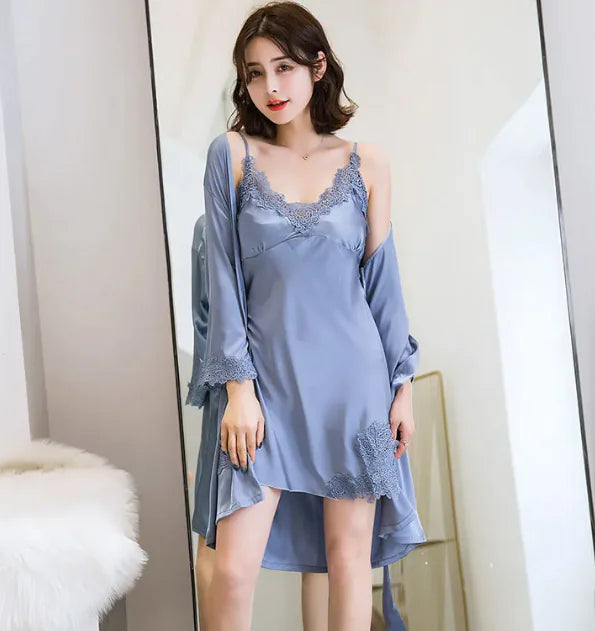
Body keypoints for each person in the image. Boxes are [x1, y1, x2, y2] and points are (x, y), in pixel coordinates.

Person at [186, 3, 426, 630]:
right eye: (255, 73)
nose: (270, 86)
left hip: (353, 386)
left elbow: (381, 284)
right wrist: (239, 390)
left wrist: (402, 385)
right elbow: (224, 280)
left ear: (318, 67)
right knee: (233, 570)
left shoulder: (368, 163)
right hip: (265, 389)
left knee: (349, 562)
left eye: (284, 67)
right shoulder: (231, 155)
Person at [187, 214, 330, 630]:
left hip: (303, 392)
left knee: (323, 543)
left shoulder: (315, 221)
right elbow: (209, 321)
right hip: (241, 397)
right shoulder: (214, 225)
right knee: (220, 540)